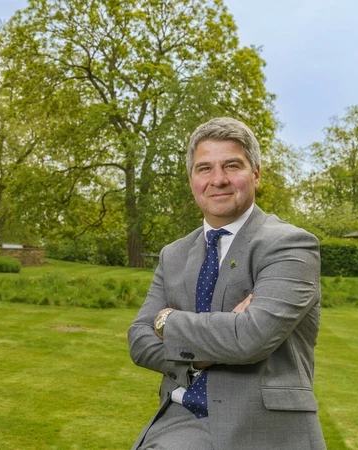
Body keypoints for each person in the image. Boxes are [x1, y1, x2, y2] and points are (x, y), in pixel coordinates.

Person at [128, 117, 325, 449]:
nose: (217, 180)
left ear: (256, 174)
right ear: (192, 179)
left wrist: (168, 321)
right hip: (181, 422)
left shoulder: (291, 245)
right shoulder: (172, 255)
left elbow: (250, 338)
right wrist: (199, 356)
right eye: (204, 168)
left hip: (265, 429)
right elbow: (139, 340)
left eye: (232, 165)